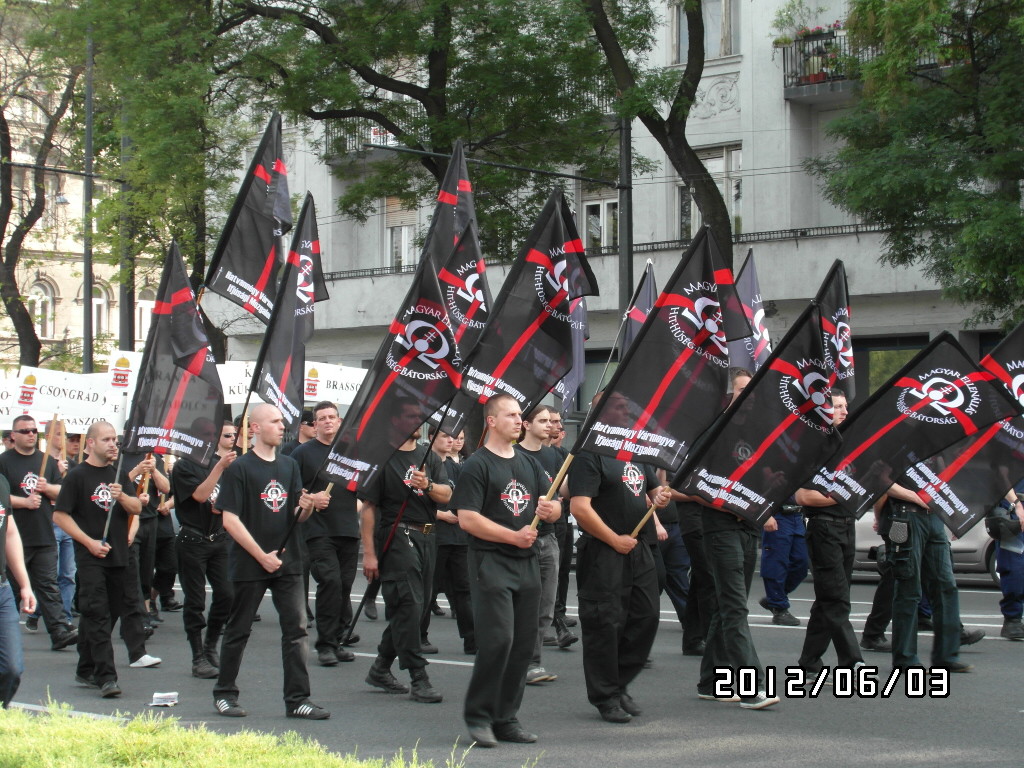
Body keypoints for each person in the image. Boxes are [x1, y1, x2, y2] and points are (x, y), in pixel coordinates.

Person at [454, 393, 560, 747]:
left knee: (524, 644)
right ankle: (479, 717)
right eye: (511, 415)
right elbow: (467, 518)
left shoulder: (529, 464)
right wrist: (512, 537)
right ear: (491, 421)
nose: (519, 420)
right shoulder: (477, 464)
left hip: (527, 562)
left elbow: (555, 506)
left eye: (520, 415)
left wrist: (550, 511)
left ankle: (506, 718)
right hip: (492, 561)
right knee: (498, 640)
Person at [212, 403, 327, 719]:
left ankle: (298, 700)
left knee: (297, 630)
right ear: (256, 428)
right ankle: (224, 694)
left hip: (287, 562)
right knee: (239, 629)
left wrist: (306, 506)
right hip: (252, 562)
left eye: (282, 422)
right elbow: (230, 519)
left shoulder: (289, 466)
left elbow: (295, 516)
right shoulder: (239, 468)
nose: (282, 426)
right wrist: (260, 555)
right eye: (275, 421)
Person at [569, 391, 671, 723]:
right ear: (599, 412)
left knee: (645, 617)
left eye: (628, 405)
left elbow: (653, 492)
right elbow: (580, 508)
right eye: (619, 406)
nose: (627, 410)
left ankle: (620, 681)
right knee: (605, 624)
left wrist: (662, 496)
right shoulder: (589, 454)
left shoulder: (635, 452)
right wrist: (613, 539)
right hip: (603, 551)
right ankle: (606, 696)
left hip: (638, 549)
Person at [694, 369, 780, 709]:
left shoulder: (757, 434)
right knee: (733, 607)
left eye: (752, 390)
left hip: (747, 528)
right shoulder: (713, 432)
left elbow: (760, 483)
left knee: (725, 605)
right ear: (730, 394)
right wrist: (729, 504)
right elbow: (693, 485)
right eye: (741, 389)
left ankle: (709, 680)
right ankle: (751, 685)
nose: (748, 395)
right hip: (719, 527)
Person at [360, 403, 451, 702]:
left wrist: (428, 485)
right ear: (396, 420)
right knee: (409, 605)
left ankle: (380, 667)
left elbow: (448, 495)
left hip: (428, 536)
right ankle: (418, 676)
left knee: (416, 608)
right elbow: (369, 509)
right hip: (398, 535)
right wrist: (370, 554)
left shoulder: (428, 457)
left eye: (420, 417)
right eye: (411, 416)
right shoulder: (381, 458)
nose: (418, 421)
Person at [53, 421, 145, 698]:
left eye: (114, 440)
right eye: (106, 439)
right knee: (97, 613)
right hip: (92, 556)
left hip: (118, 554)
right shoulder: (78, 475)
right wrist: (89, 542)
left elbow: (137, 506)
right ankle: (106, 677)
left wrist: (122, 497)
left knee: (110, 614)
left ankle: (85, 666)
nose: (112, 444)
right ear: (90, 443)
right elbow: (60, 515)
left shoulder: (118, 474)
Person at [793, 389, 865, 679]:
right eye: (837, 406)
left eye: (845, 406)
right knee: (836, 597)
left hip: (846, 526)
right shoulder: (812, 448)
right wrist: (842, 496)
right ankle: (852, 660)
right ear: (823, 411)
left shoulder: (846, 446)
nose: (844, 411)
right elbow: (804, 497)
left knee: (829, 597)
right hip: (824, 527)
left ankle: (810, 661)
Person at [877, 472, 972, 672]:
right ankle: (905, 659)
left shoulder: (935, 448)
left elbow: (945, 482)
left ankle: (946, 657)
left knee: (945, 586)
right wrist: (916, 498)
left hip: (934, 518)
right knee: (908, 587)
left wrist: (953, 516)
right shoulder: (899, 447)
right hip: (905, 516)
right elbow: (882, 481)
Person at [0, 415, 78, 651]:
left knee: (48, 585)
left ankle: (59, 632)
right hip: (15, 538)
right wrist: (24, 502)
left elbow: (62, 493)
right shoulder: (4, 462)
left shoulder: (47, 462)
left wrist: (47, 488)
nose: (31, 434)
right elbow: (2, 498)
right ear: (13, 435)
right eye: (25, 431)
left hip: (44, 534)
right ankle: (8, 638)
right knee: (12, 590)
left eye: (34, 430)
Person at [292, 401, 361, 666]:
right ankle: (325, 646)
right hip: (318, 530)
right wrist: (311, 498)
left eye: (332, 417)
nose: (328, 422)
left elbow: (362, 487)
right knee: (330, 581)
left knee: (344, 587)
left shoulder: (351, 452)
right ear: (315, 424)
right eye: (322, 418)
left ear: (340, 421)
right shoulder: (302, 453)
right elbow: (293, 488)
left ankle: (339, 639)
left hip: (347, 528)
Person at [172, 419, 237, 678]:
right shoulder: (184, 466)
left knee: (227, 594)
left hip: (218, 538)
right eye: (208, 435)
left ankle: (211, 645)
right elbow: (199, 495)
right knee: (196, 599)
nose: (212, 439)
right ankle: (197, 656)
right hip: (192, 540)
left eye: (215, 435)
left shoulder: (219, 464)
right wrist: (220, 467)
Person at [515, 404, 573, 685]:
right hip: (519, 538)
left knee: (545, 606)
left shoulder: (556, 454)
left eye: (553, 421)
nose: (551, 425)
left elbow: (564, 493)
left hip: (548, 538)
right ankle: (513, 660)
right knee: (521, 605)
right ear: (526, 424)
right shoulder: (515, 455)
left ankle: (533, 662)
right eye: (543, 420)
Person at [423, 428, 476, 655]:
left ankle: (471, 638)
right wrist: (442, 515)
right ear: (432, 437)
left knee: (465, 589)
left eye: (453, 437)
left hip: (459, 537)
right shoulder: (424, 463)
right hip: (435, 535)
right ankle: (420, 636)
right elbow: (416, 503)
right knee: (429, 589)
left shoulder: (459, 466)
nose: (451, 440)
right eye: (445, 436)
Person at [1, 476, 37, 708]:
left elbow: (10, 532)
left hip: (2, 588)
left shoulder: (1, 482)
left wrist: (25, 584)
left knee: (12, 668)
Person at [757, 496, 808, 626]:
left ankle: (774, 598)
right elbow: (761, 487)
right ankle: (779, 608)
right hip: (777, 514)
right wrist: (766, 514)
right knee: (775, 563)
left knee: (801, 562)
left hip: (797, 515)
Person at [547, 413, 577, 632]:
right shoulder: (531, 454)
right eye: (552, 421)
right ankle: (551, 619)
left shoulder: (563, 454)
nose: (557, 426)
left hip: (562, 518)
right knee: (548, 571)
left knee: (563, 568)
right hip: (542, 522)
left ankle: (560, 612)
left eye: (559, 422)